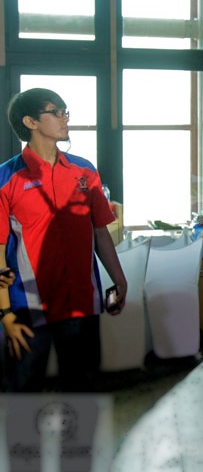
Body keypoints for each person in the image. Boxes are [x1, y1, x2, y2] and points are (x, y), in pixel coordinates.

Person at [0, 87, 127, 392]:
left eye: (65, 111)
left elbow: (100, 232)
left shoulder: (85, 171)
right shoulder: (7, 178)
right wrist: (4, 314)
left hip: (81, 303)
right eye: (55, 112)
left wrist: (120, 280)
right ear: (30, 122)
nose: (65, 118)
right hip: (27, 307)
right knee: (23, 395)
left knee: (83, 393)